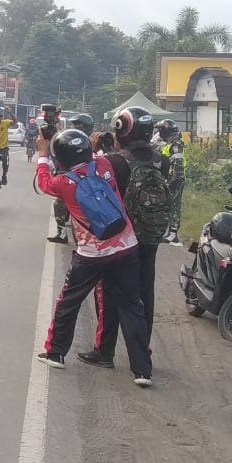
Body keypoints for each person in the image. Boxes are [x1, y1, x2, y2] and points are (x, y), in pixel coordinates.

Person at [35, 127, 153, 387]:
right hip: (126, 246)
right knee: (132, 307)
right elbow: (107, 156)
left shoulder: (63, 183)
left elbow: (42, 181)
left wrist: (43, 154)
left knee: (69, 301)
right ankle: (142, 370)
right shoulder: (106, 164)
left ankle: (55, 352)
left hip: (91, 253)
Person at [80, 106, 170, 369]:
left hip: (122, 239)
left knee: (109, 291)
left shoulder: (115, 161)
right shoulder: (161, 161)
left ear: (122, 129)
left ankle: (104, 351)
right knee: (144, 293)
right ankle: (143, 352)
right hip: (151, 236)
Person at [155, 119, 185, 243]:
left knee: (173, 206)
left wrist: (173, 180)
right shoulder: (169, 142)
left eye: (161, 131)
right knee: (166, 205)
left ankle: (173, 233)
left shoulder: (176, 144)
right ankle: (168, 231)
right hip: (168, 177)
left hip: (175, 179)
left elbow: (178, 164)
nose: (159, 133)